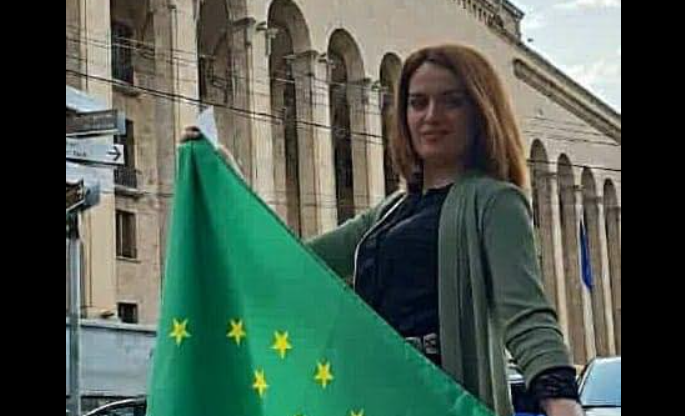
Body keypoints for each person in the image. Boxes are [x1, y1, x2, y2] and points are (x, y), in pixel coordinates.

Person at [183, 44, 584, 416]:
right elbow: (297, 263)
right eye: (418, 102)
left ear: (480, 112)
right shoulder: (390, 212)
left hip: (441, 397)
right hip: (375, 394)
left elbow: (526, 315)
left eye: (451, 101)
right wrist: (225, 177)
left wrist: (561, 400)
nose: (431, 116)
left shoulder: (495, 202)